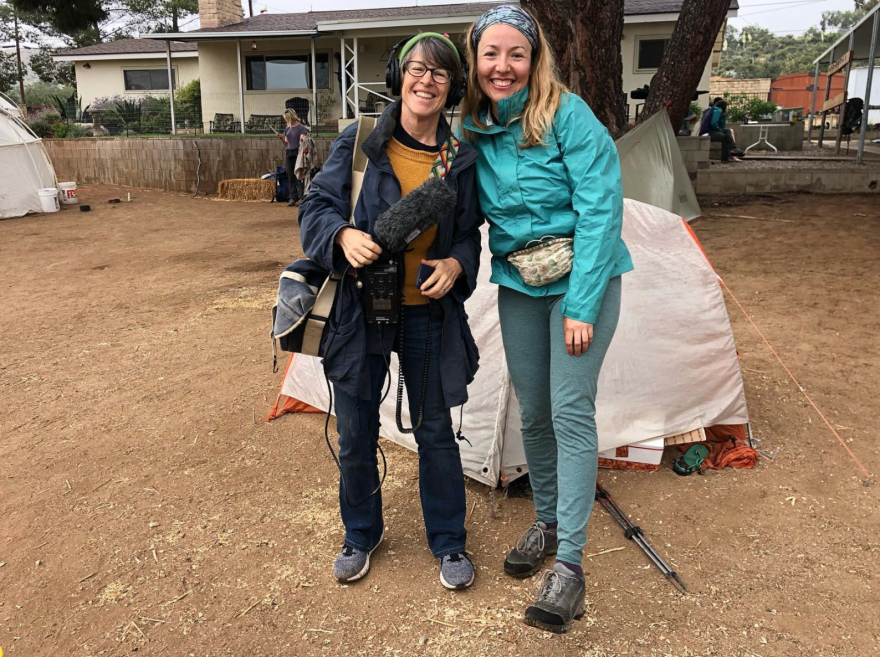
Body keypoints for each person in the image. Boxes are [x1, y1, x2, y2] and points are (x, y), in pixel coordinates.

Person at [461, 5, 633, 633]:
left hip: (583, 280)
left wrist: (583, 303)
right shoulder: (473, 128)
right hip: (520, 283)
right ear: (475, 60)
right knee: (532, 409)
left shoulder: (568, 116)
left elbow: (600, 208)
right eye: (491, 54)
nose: (503, 67)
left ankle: (570, 567)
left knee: (568, 409)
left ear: (535, 61)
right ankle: (549, 517)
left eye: (517, 54)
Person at [298, 33, 483, 590]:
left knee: (435, 434)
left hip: (427, 313)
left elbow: (470, 233)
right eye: (417, 70)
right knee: (355, 431)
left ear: (452, 88)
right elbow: (315, 207)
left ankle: (449, 542)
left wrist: (455, 264)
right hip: (360, 310)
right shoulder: (358, 142)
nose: (426, 81)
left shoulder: (460, 157)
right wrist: (342, 236)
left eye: (440, 74)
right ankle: (361, 533)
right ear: (399, 76)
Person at [276, 109, 308, 206]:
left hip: (298, 152)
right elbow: (286, 144)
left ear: (290, 117)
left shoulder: (301, 128)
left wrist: (302, 140)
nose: (285, 120)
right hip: (289, 152)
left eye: (286, 118)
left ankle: (301, 197)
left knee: (299, 175)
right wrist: (281, 138)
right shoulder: (287, 129)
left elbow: (303, 141)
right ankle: (292, 197)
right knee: (290, 176)